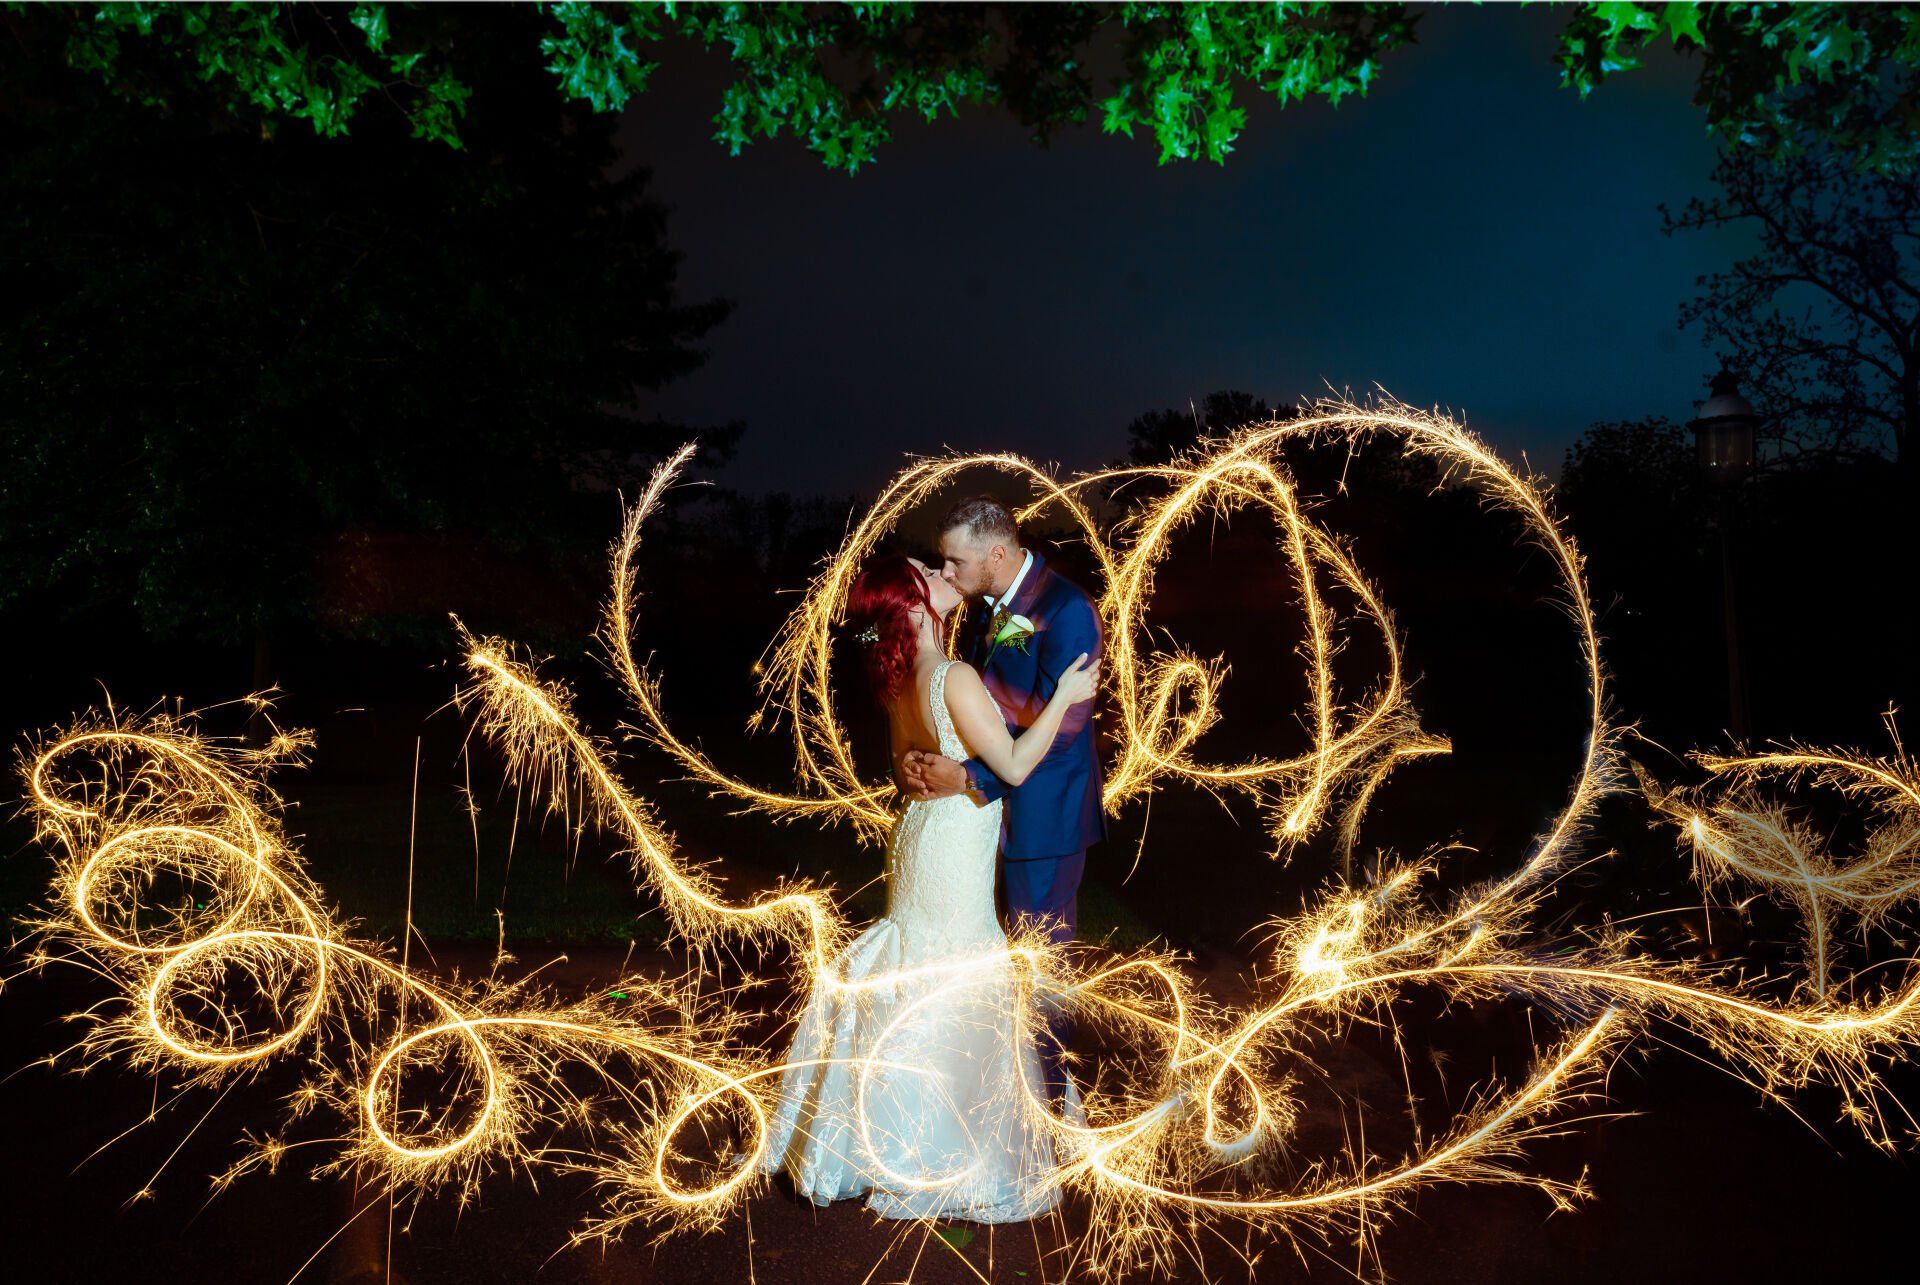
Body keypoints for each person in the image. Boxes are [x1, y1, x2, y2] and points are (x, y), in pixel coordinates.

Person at [759, 553, 1098, 1222]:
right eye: (928, 572)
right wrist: (1062, 696)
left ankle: (886, 1137)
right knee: (956, 965)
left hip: (918, 837)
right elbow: (1014, 767)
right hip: (947, 843)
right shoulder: (953, 675)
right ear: (913, 605)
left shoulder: (898, 681)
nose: (943, 573)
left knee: (920, 961)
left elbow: (903, 769)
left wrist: (933, 770)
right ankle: (940, 1150)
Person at [901, 496, 1105, 1107]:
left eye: (956, 561)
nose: (949, 573)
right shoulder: (996, 606)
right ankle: (1005, 1096)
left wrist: (969, 779)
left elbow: (1061, 726)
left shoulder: (1066, 609)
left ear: (995, 554)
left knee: (1039, 965)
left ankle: (1052, 1106)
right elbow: (996, 705)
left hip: (1044, 819)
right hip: (986, 820)